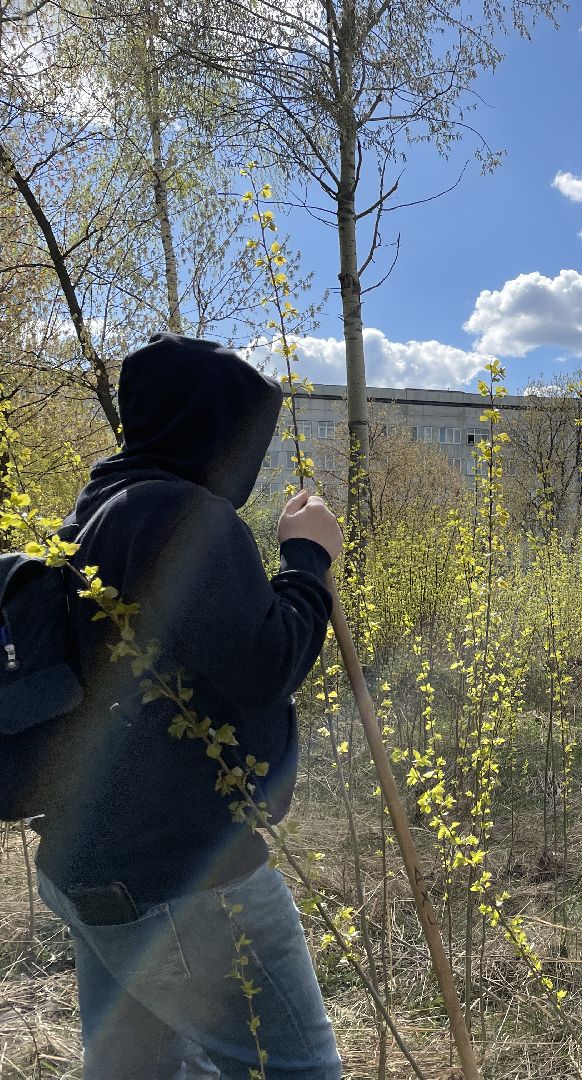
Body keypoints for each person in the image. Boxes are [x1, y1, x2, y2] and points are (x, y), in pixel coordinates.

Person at [29, 333, 345, 1078]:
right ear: (213, 430)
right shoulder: (182, 516)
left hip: (93, 869)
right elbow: (266, 664)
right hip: (189, 882)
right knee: (294, 1070)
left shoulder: (97, 516)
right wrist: (308, 559)